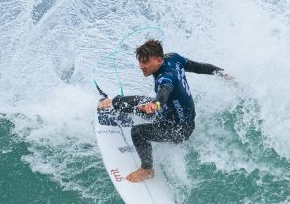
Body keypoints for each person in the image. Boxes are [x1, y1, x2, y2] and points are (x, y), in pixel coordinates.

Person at [98, 39, 231, 182]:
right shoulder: (173, 58)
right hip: (169, 112)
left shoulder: (166, 77)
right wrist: (222, 73)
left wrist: (156, 104)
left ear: (159, 60)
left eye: (145, 62)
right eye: (140, 62)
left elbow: (164, 91)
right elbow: (199, 67)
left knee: (137, 132)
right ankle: (113, 102)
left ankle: (147, 169)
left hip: (179, 129)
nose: (141, 66)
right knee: (139, 101)